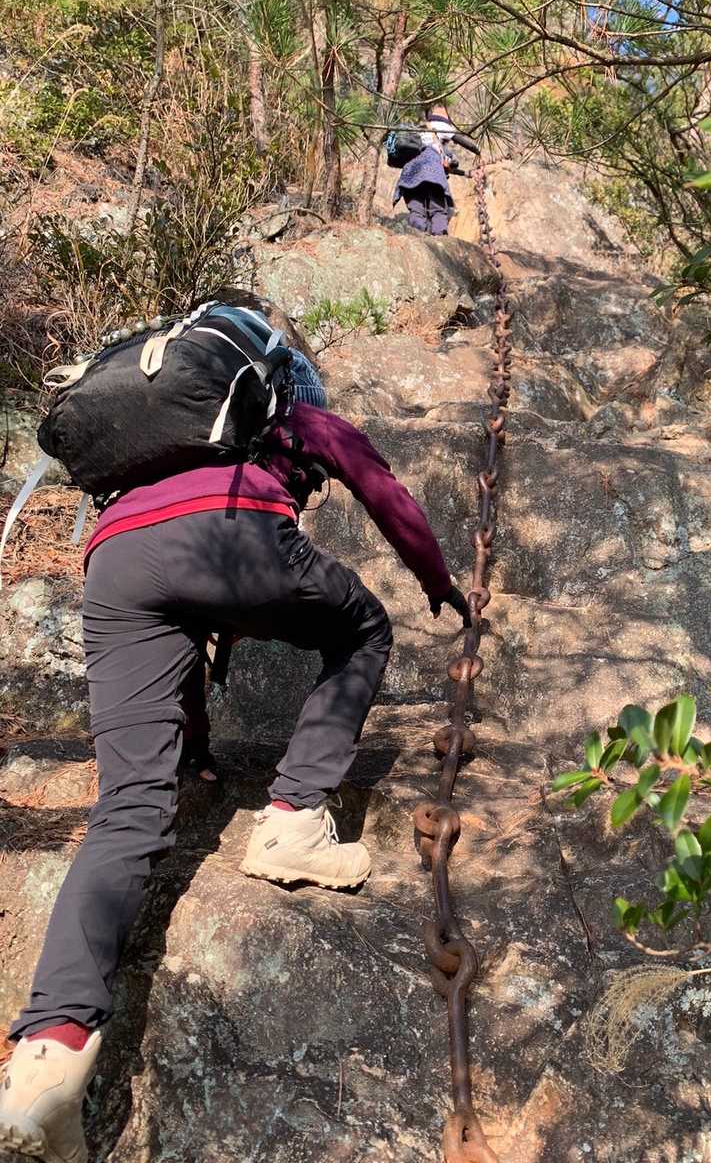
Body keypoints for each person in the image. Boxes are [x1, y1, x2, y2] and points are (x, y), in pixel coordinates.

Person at [0, 338, 469, 1163]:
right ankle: (292, 818)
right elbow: (382, 490)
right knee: (364, 629)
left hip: (114, 560)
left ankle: (47, 1061)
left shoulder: (151, 450)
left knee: (127, 809)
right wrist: (435, 580)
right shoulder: (294, 412)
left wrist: (193, 755)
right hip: (238, 534)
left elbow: (175, 627)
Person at [393, 102, 458, 235]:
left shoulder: (418, 131)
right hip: (432, 174)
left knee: (416, 210)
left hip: (410, 174)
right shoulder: (442, 127)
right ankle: (439, 238)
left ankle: (417, 238)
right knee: (438, 209)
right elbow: (461, 147)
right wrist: (478, 152)